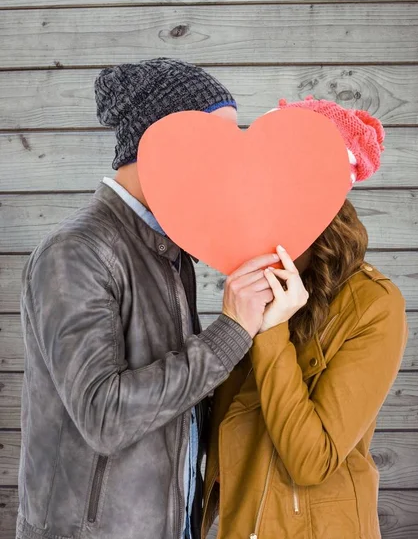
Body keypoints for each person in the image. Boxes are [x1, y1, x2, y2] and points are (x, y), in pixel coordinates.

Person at [17, 58, 279, 539]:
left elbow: (180, 396)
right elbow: (105, 416)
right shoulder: (76, 252)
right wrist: (230, 333)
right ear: (161, 145)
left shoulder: (170, 250)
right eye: (214, 146)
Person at [202, 97, 408, 539]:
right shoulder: (255, 277)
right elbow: (221, 427)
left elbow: (311, 460)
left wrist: (273, 330)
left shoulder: (374, 305)